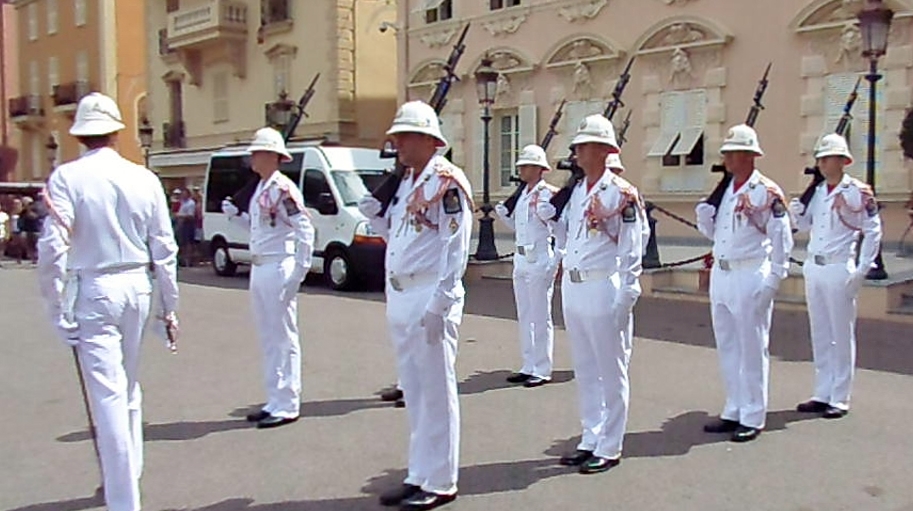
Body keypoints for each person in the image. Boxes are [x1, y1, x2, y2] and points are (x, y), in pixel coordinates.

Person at [36, 92, 180, 511]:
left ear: (80, 135)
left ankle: (123, 499)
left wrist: (55, 303)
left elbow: (52, 248)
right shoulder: (145, 178)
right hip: (137, 284)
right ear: (118, 132)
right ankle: (128, 472)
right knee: (128, 387)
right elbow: (165, 249)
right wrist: (169, 306)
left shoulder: (66, 178)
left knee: (109, 397)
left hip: (94, 286)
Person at [358, 100, 472, 510]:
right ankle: (418, 473)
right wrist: (375, 212)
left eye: (404, 137)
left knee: (436, 392)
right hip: (402, 294)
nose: (398, 145)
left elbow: (454, 246)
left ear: (427, 139)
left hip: (429, 295)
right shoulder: (406, 182)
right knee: (415, 391)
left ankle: (441, 481)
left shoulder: (447, 181)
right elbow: (400, 235)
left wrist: (441, 302)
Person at [536, 114, 646, 474]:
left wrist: (628, 292)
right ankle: (590, 436)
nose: (577, 151)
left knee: (610, 369)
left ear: (602, 150)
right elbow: (568, 234)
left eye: (583, 145)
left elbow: (633, 246)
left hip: (603, 285)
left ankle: (610, 444)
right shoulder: (577, 192)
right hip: (576, 284)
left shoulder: (622, 193)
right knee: (584, 368)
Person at [695, 124, 793, 442]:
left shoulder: (766, 191)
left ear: (748, 155)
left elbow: (782, 237)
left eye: (731, 152)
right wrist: (705, 214)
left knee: (751, 347)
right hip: (723, 275)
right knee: (728, 345)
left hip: (751, 274)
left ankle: (753, 413)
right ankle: (734, 407)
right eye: (726, 153)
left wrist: (775, 277)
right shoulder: (727, 191)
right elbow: (718, 235)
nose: (726, 158)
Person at [221, 127, 315, 429]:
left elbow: (304, 228)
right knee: (268, 337)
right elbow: (260, 229)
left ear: (273, 157)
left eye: (258, 152)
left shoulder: (283, 189)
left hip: (278, 266)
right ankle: (274, 398)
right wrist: (235, 216)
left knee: (283, 337)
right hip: (261, 265)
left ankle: (288, 403)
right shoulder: (262, 188)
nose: (253, 157)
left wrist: (300, 270)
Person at [789, 134, 882, 418]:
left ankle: (839, 396)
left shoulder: (857, 191)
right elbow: (805, 226)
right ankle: (822, 391)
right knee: (820, 333)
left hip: (839, 266)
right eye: (820, 158)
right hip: (815, 267)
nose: (822, 163)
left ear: (843, 161)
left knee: (840, 334)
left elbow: (873, 231)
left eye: (827, 158)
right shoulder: (817, 192)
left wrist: (863, 268)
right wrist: (797, 213)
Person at [494, 144, 559, 388]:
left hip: (539, 257)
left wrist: (556, 259)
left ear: (538, 168)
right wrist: (505, 216)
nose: (521, 169)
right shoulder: (523, 194)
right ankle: (528, 364)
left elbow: (557, 228)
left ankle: (542, 368)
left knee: (540, 315)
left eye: (526, 165)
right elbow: (520, 228)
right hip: (520, 258)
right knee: (524, 314)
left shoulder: (547, 194)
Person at [175, 188, 197, 267]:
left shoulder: (191, 203)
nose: (182, 195)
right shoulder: (182, 203)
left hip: (188, 224)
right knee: (182, 242)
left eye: (184, 193)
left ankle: (188, 260)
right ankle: (183, 260)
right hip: (181, 223)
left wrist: (180, 215)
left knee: (188, 243)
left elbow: (191, 215)